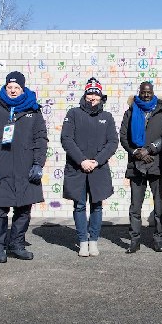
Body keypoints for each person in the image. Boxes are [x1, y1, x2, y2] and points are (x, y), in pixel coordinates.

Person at [0, 71, 48, 263]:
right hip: (0, 167)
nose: (13, 90)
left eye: (17, 88)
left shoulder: (34, 111)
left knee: (24, 210)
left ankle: (17, 244)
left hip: (26, 168)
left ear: (23, 89)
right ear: (5, 88)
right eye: (10, 87)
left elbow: (41, 139)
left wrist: (38, 164)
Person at [61, 78, 118, 257]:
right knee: (79, 205)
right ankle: (82, 241)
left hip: (98, 169)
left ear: (101, 97)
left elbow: (112, 142)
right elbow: (66, 139)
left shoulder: (107, 117)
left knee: (97, 206)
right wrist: (82, 160)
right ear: (85, 95)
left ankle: (93, 241)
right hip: (77, 168)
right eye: (90, 93)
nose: (93, 96)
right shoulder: (73, 113)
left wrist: (97, 161)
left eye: (96, 93)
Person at [119, 81, 162, 254]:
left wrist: (150, 149)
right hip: (136, 164)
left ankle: (158, 239)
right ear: (139, 92)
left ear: (153, 92)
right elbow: (123, 137)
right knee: (135, 206)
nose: (146, 95)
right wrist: (136, 152)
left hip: (155, 164)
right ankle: (134, 241)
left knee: (158, 206)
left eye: (149, 92)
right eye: (143, 92)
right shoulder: (131, 111)